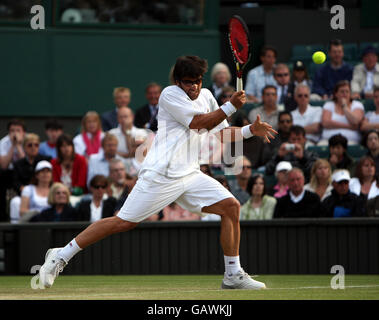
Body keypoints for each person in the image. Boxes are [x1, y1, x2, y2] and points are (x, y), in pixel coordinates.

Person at [37, 55, 277, 290]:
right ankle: (61, 254)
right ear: (178, 82)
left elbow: (221, 133)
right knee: (122, 223)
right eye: (188, 82)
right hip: (160, 175)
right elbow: (197, 123)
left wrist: (249, 130)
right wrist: (231, 105)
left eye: (198, 81)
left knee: (231, 207)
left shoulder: (206, 96)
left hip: (190, 174)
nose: (193, 87)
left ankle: (233, 274)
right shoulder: (169, 95)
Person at [320, 80, 364, 145]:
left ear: (350, 94)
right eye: (342, 91)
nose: (345, 94)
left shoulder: (357, 105)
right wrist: (349, 126)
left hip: (350, 141)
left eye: (347, 91)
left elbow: (355, 121)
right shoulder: (328, 105)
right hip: (328, 141)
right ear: (336, 94)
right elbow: (326, 123)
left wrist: (344, 106)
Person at [0, 118, 26, 221]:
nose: (15, 133)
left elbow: (25, 164)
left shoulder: (29, 141)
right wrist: (13, 145)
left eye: (18, 130)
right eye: (12, 130)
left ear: (23, 132)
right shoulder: (3, 142)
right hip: (7, 174)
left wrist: (19, 146)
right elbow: (4, 165)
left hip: (23, 174)